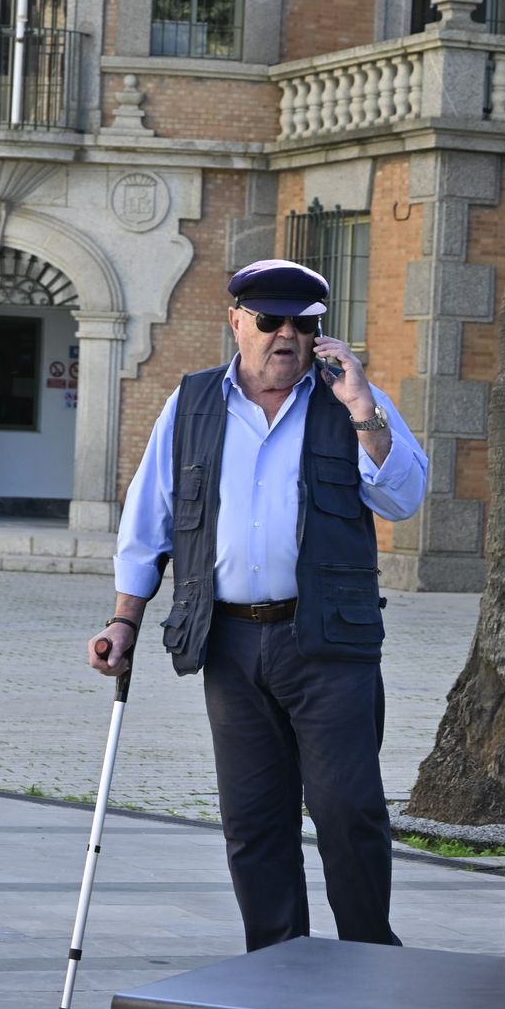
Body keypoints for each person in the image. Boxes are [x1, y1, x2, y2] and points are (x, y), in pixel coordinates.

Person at [85, 258, 429, 952]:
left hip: (327, 643)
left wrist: (363, 410)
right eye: (269, 321)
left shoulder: (351, 401)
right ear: (237, 322)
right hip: (232, 643)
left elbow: (403, 496)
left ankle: (369, 957)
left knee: (347, 810)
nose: (286, 337)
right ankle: (275, 964)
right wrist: (124, 619)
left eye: (303, 325)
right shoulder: (191, 404)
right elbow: (147, 521)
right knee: (252, 818)